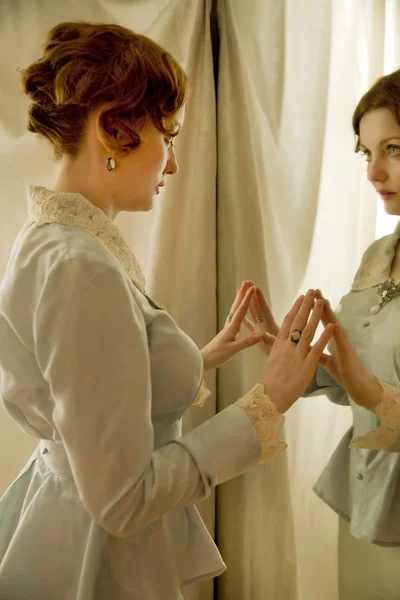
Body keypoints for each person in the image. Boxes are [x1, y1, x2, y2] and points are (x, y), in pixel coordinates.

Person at [0, 22, 334, 600]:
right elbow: (123, 500)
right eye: (169, 136)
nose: (172, 165)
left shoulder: (55, 238)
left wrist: (196, 359)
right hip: (99, 561)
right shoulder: (81, 264)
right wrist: (268, 402)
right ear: (114, 129)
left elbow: (88, 393)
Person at [250, 70, 400, 600]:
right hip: (364, 500)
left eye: (394, 149)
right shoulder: (379, 255)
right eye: (366, 153)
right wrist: (291, 352)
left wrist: (374, 394)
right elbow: (354, 382)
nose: (375, 172)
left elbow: (374, 390)